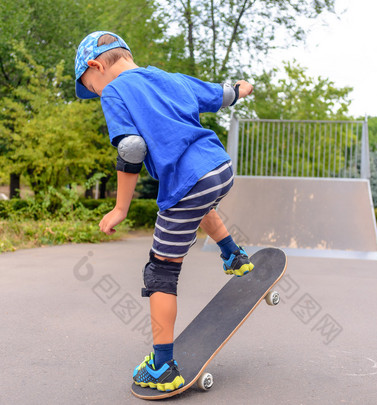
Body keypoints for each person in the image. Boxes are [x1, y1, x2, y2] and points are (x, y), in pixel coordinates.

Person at [74, 31, 255, 392]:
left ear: (96, 66)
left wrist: (120, 208)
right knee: (197, 205)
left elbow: (131, 146)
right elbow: (223, 95)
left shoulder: (114, 92)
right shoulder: (170, 78)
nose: (96, 93)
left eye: (90, 87)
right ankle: (233, 256)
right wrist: (243, 87)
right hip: (219, 169)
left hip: (186, 182)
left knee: (160, 273)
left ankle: (162, 366)